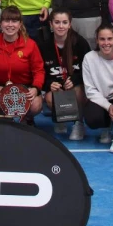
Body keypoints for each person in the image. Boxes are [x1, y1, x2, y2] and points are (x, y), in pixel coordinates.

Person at [0, 6, 44, 125]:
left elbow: (39, 70)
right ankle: (5, 119)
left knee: (35, 105)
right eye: (7, 21)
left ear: (20, 24)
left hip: (25, 86)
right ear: (0, 24)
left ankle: (27, 118)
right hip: (2, 85)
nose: (10, 25)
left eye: (14, 21)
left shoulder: (30, 44)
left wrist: (35, 88)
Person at [37, 9, 91, 140]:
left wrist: (75, 79)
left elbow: (89, 70)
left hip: (74, 84)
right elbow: (38, 71)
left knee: (79, 93)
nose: (61, 26)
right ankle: (60, 119)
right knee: (50, 98)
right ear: (51, 24)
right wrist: (49, 84)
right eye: (57, 22)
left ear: (70, 24)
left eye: (64, 22)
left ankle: (78, 123)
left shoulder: (80, 43)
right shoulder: (43, 44)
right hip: (56, 86)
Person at [82, 24, 113, 154]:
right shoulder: (89, 58)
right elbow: (90, 90)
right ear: (97, 40)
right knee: (92, 119)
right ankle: (107, 126)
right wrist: (108, 106)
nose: (106, 43)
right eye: (102, 39)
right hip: (101, 100)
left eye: (109, 39)